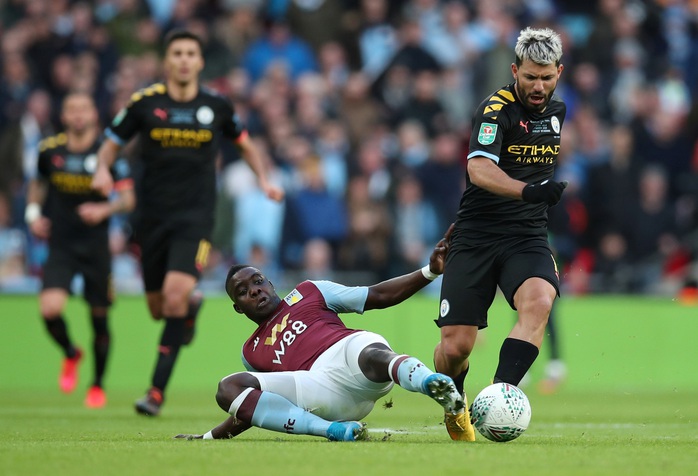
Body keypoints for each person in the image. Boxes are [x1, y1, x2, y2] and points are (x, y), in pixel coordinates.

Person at [91, 29, 284, 417]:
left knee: (175, 298)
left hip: (194, 219)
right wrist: (100, 169)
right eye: (176, 52)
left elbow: (244, 142)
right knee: (161, 310)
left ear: (198, 61)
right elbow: (112, 140)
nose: (183, 59)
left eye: (190, 53)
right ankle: (189, 312)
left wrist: (264, 179)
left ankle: (155, 393)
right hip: (149, 220)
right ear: (168, 60)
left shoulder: (216, 105)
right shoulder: (145, 103)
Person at [174, 225, 474, 442]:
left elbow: (378, 295)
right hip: (320, 391)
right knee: (228, 387)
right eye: (243, 292)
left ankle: (431, 383)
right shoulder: (251, 351)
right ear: (238, 307)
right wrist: (209, 437)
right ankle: (331, 431)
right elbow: (254, 408)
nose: (255, 290)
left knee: (370, 352)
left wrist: (430, 272)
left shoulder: (309, 291)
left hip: (350, 357)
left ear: (270, 283)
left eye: (258, 281)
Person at [432, 27, 568, 441]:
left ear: (559, 72)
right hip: (476, 234)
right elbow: (478, 169)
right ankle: (454, 402)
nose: (538, 86)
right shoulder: (495, 109)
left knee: (540, 300)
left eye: (546, 77)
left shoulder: (559, 112)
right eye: (530, 77)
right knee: (455, 348)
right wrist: (529, 191)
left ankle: (498, 396)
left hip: (525, 235)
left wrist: (535, 198)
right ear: (515, 71)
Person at [25, 92, 136, 408]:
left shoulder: (108, 153)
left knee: (99, 318)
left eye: (83, 108)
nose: (77, 114)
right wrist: (33, 214)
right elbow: (38, 184)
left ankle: (98, 384)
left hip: (95, 247)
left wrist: (103, 211)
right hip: (60, 244)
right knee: (50, 309)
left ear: (93, 115)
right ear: (63, 115)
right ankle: (72, 353)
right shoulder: (49, 150)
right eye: (71, 108)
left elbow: (128, 200)